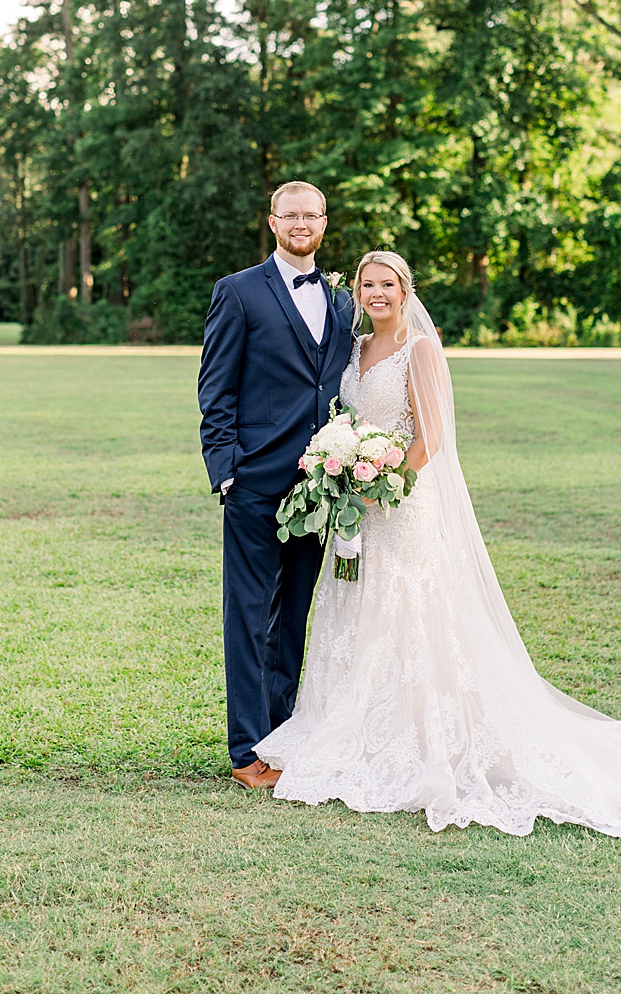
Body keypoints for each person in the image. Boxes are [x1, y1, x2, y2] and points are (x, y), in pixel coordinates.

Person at [257, 251, 621, 858]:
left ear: (405, 289)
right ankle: (357, 730)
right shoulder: (354, 347)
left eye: (386, 285)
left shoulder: (420, 348)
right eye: (367, 284)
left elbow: (434, 437)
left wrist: (385, 484)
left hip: (401, 503)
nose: (375, 294)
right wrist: (343, 472)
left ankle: (427, 741)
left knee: (411, 616)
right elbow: (347, 414)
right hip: (360, 512)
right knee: (357, 611)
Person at [197, 183, 353, 789]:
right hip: (256, 482)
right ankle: (245, 750)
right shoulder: (237, 292)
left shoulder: (341, 301)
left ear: (322, 223)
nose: (300, 224)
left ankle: (284, 733)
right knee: (249, 615)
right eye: (290, 215)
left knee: (293, 615)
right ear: (272, 222)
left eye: (310, 215)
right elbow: (216, 389)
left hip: (320, 484)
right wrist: (226, 469)